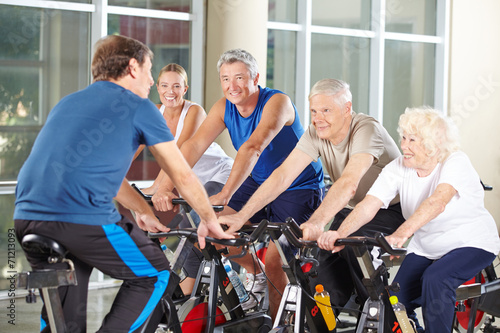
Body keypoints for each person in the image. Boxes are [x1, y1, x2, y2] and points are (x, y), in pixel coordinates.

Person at [13, 35, 232, 333]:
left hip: (28, 218)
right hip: (83, 219)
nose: (152, 81)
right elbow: (182, 174)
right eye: (149, 69)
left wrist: (142, 211)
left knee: (66, 300)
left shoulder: (69, 103)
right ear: (132, 67)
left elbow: (110, 178)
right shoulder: (139, 107)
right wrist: (209, 219)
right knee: (155, 274)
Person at [151, 49, 325, 312]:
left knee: (278, 264)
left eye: (239, 78)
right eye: (225, 79)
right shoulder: (223, 107)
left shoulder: (278, 103)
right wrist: (165, 185)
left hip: (298, 186)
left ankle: (277, 327)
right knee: (214, 229)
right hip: (258, 181)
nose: (232, 86)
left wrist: (225, 193)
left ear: (255, 77)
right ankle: (256, 276)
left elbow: (253, 147)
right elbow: (193, 146)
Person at [219, 78, 404, 318]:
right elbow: (282, 176)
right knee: (319, 280)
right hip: (349, 211)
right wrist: (242, 215)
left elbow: (348, 183)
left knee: (354, 252)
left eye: (326, 110)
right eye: (314, 111)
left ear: (347, 109)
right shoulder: (316, 132)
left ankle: (381, 317)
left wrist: (317, 222)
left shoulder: (367, 129)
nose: (318, 118)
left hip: (387, 211)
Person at [318, 107, 500, 332]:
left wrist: (400, 234)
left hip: (471, 242)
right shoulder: (399, 167)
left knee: (436, 279)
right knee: (393, 299)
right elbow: (369, 205)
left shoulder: (455, 161)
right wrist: (340, 233)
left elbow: (437, 202)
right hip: (427, 246)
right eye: (403, 137)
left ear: (434, 143)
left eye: (412, 139)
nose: (404, 145)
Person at [137, 63, 233, 294]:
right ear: (157, 88)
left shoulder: (195, 112)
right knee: (162, 233)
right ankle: (189, 283)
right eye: (165, 86)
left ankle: (193, 292)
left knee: (188, 225)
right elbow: (131, 148)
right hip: (189, 183)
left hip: (219, 175)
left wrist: (159, 187)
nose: (170, 91)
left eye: (177, 86)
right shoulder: (154, 114)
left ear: (185, 88)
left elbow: (178, 153)